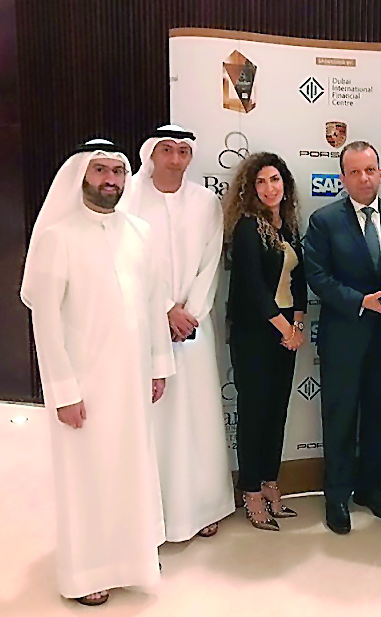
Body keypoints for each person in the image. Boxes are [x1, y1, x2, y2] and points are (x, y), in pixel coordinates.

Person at [21, 138, 174, 607]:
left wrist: (158, 364)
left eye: (118, 172)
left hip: (130, 380)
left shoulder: (140, 232)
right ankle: (87, 570)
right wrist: (63, 390)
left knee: (132, 468)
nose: (111, 181)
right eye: (101, 171)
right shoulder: (58, 236)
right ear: (82, 177)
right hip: (84, 382)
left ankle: (131, 559)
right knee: (85, 475)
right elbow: (44, 319)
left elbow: (153, 304)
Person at [120, 125, 235, 542]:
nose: (174, 159)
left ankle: (203, 507)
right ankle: (155, 516)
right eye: (166, 150)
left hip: (193, 330)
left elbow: (211, 261)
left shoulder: (205, 202)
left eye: (182, 151)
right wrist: (164, 310)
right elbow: (128, 263)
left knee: (198, 418)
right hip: (145, 329)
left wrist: (191, 313)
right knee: (156, 422)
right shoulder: (129, 199)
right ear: (151, 153)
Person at [304, 140, 381, 534]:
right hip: (344, 339)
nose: (364, 178)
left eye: (370, 170)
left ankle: (371, 490)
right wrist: (360, 301)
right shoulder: (324, 220)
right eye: (355, 172)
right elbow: (317, 277)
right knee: (340, 419)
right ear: (343, 177)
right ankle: (336, 497)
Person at [224, 152, 307, 531]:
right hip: (257, 333)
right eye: (261, 182)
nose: (269, 188)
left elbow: (298, 282)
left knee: (276, 412)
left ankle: (272, 482)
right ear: (250, 188)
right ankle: (252, 492)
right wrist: (284, 329)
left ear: (284, 185)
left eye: (275, 180)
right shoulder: (247, 228)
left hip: (285, 332)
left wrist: (298, 324)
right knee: (255, 414)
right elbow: (254, 291)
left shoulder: (287, 226)